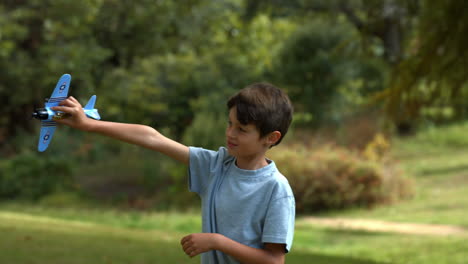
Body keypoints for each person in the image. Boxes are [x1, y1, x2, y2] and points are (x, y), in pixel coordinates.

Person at [52, 82, 295, 264]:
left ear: (271, 138)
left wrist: (216, 241)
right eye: (229, 123)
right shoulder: (216, 166)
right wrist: (89, 124)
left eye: (242, 129)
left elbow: (274, 260)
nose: (230, 133)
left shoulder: (276, 189)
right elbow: (152, 138)